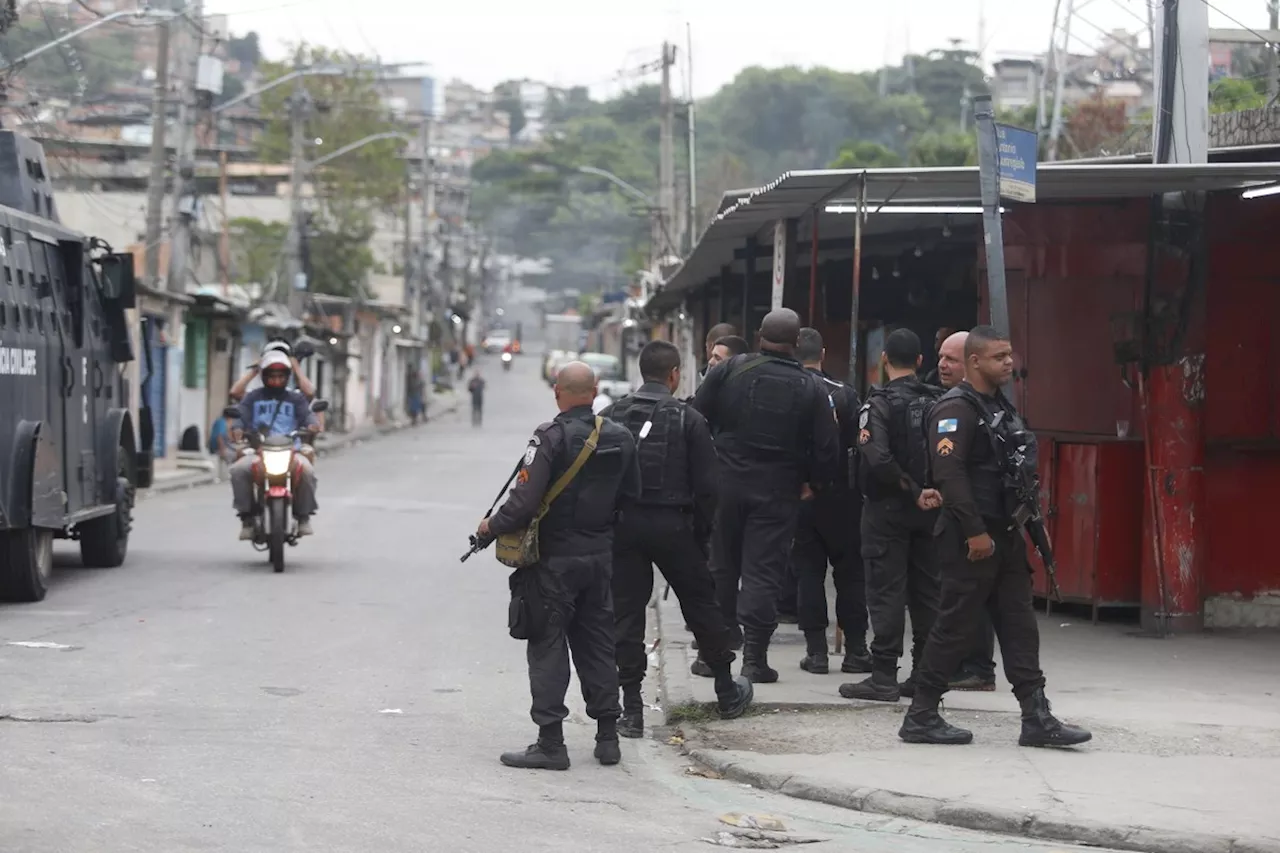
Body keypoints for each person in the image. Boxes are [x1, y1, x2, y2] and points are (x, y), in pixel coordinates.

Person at [901, 326, 1091, 748]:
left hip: (1003, 535)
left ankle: (1036, 716)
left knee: (1020, 626)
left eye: (1009, 355)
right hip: (971, 537)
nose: (1008, 362)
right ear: (974, 362)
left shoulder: (996, 405)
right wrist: (974, 532)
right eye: (999, 356)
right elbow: (949, 474)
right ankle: (921, 714)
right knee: (954, 626)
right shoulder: (956, 409)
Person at [477, 362, 640, 770]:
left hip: (552, 561)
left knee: (548, 645)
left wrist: (489, 528)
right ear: (595, 390)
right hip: (599, 558)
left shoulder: (550, 436)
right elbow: (631, 496)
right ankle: (607, 738)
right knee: (598, 643)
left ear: (557, 392)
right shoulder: (620, 436)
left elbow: (524, 502)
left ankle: (551, 743)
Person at [604, 341, 754, 738]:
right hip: (675, 526)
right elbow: (709, 489)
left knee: (626, 616)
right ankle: (725, 690)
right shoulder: (689, 419)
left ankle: (632, 710)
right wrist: (700, 536)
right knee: (702, 606)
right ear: (674, 375)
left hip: (624, 528)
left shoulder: (611, 415)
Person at [692, 308, 841, 683]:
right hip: (778, 490)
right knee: (763, 572)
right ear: (795, 344)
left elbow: (695, 417)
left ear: (759, 335)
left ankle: (714, 655)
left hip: (725, 482)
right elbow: (827, 447)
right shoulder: (811, 387)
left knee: (720, 566)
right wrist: (815, 483)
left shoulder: (729, 370)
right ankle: (754, 659)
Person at [840, 328, 943, 703]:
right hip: (931, 509)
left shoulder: (877, 405)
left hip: (887, 510)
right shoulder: (939, 402)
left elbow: (877, 457)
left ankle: (883, 675)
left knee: (886, 591)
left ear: (884, 360)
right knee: (927, 593)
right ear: (920, 361)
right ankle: (923, 674)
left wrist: (910, 490)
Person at [787, 328, 872, 675]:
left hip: (800, 494)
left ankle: (817, 652)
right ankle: (855, 650)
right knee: (851, 574)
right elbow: (860, 445)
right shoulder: (847, 395)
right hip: (843, 497)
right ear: (822, 352)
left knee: (808, 573)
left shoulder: (787, 392)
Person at [936, 331, 998, 693]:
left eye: (952, 359)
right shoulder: (955, 401)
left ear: (972, 362)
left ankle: (974, 668)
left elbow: (953, 469)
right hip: (957, 515)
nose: (943, 365)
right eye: (941, 357)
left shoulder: (974, 406)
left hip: (974, 518)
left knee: (970, 597)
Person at [227, 351, 320, 540]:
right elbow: (241, 415)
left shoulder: (296, 398)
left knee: (308, 471)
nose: (276, 380)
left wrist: (312, 424)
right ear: (264, 376)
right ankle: (247, 518)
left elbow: (307, 415)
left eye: (281, 376)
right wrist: (237, 427)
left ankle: (303, 517)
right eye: (272, 376)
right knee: (238, 470)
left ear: (287, 377)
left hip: (291, 450)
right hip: (258, 450)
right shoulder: (252, 397)